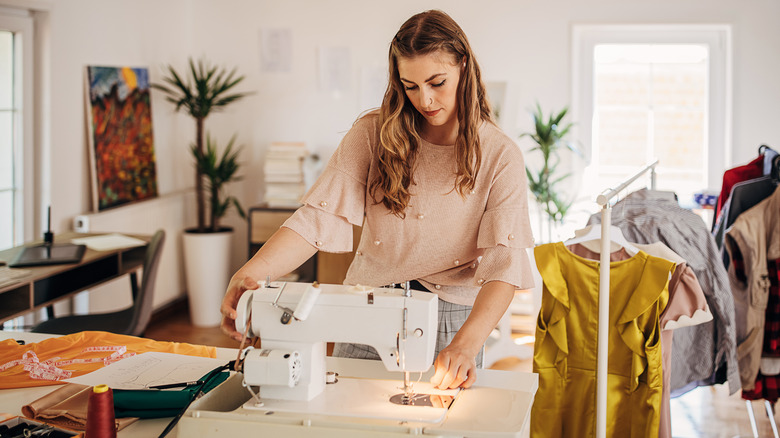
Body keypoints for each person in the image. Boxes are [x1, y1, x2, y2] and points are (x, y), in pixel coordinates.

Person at [220, 9, 535, 390]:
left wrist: (465, 346)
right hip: (368, 306)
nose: (426, 99)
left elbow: (505, 265)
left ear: (463, 66)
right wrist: (252, 271)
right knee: (347, 413)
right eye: (411, 86)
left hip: (453, 317)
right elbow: (316, 220)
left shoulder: (500, 154)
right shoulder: (373, 134)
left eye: (437, 82)